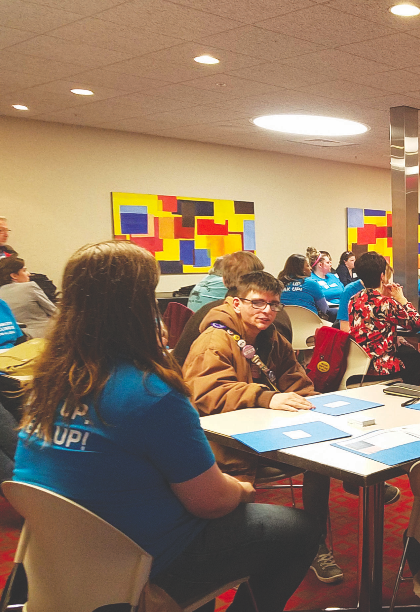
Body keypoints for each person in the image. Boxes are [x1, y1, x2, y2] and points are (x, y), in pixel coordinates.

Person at [13, 241, 319, 611]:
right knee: (299, 530)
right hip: (139, 562)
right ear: (138, 308)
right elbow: (212, 503)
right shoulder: (151, 393)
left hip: (57, 561)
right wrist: (242, 489)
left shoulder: (46, 384)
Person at [182, 270, 346, 584]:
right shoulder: (213, 340)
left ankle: (314, 543)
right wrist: (266, 398)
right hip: (224, 444)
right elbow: (207, 395)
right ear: (235, 303)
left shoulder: (272, 338)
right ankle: (249, 550)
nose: (267, 311)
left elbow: (297, 384)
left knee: (323, 458)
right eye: (257, 303)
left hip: (266, 432)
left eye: (273, 304)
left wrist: (318, 407)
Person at [173, 251, 292, 366]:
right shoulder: (279, 314)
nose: (266, 311)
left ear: (224, 281)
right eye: (257, 303)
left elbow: (178, 361)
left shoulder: (205, 313)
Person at [349, 252, 420, 385]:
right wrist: (401, 299)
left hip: (357, 364)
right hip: (381, 366)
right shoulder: (386, 303)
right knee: (413, 356)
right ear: (382, 276)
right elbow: (417, 323)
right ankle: (411, 395)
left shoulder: (353, 300)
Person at [0, 257, 56, 338]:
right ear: (14, 275)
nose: (29, 274)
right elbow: (54, 312)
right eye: (24, 270)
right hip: (43, 334)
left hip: (17, 338)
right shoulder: (29, 287)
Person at [278, 254, 331, 321]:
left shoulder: (278, 284)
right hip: (309, 324)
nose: (311, 268)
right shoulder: (312, 283)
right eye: (308, 265)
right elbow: (324, 309)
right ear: (302, 269)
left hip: (284, 323)